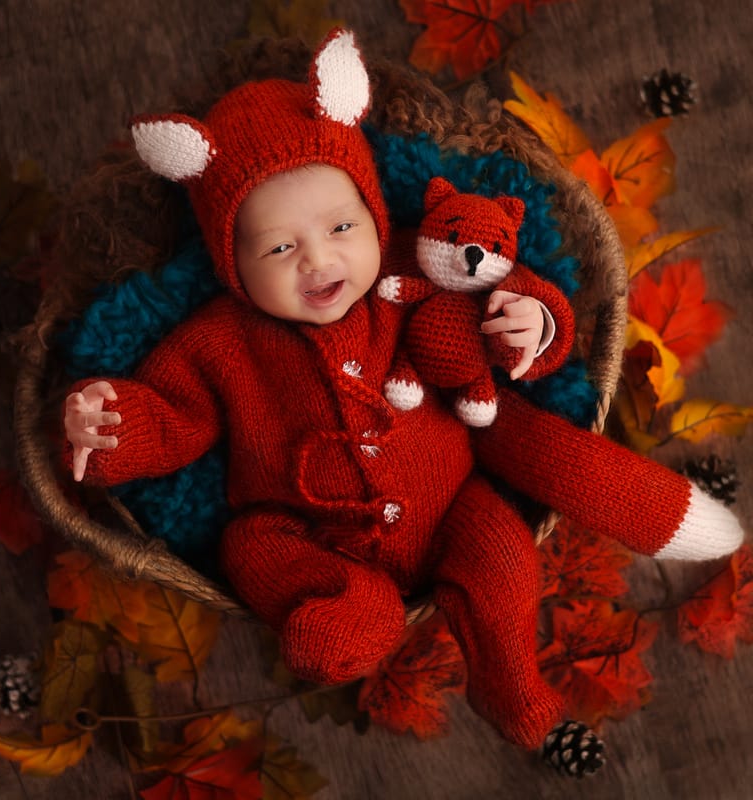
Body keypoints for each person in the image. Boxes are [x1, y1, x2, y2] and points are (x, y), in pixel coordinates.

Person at [63, 30, 744, 752]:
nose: (318, 259)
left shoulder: (414, 265)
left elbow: (500, 275)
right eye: (278, 248)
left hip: (450, 499)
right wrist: (108, 424)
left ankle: (512, 693)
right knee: (253, 550)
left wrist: (530, 322)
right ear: (231, 262)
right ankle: (356, 613)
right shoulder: (220, 341)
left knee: (508, 566)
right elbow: (172, 418)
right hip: (305, 530)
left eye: (340, 226)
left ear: (375, 214)